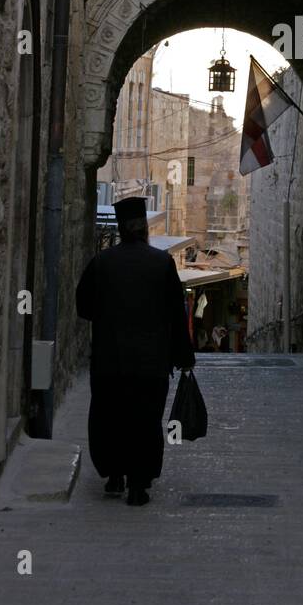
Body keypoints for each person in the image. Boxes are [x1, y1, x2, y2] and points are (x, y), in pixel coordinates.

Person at [75, 196, 195, 507]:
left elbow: (83, 307)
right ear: (144, 228)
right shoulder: (162, 264)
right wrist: (183, 356)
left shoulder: (101, 263)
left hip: (109, 360)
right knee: (145, 420)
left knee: (110, 418)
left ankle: (114, 475)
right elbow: (176, 315)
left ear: (120, 229)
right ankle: (138, 485)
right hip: (150, 363)